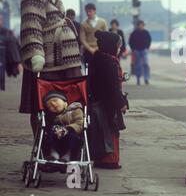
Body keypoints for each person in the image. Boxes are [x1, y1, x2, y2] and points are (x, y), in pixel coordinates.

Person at [19, 0, 82, 134]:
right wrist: (35, 53)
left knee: (68, 104)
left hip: (66, 62)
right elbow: (31, 24)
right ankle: (45, 148)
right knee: (46, 105)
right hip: (48, 62)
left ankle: (66, 144)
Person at [88, 30, 128, 169]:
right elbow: (113, 88)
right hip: (108, 104)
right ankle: (110, 160)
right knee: (110, 130)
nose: (118, 49)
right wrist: (121, 103)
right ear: (110, 46)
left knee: (99, 130)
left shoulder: (98, 58)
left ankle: (100, 159)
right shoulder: (109, 63)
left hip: (98, 101)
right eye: (117, 46)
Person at [43, 90, 83, 162]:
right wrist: (56, 129)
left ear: (65, 102)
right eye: (49, 106)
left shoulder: (75, 110)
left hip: (72, 134)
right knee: (49, 133)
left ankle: (68, 155)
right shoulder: (53, 117)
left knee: (72, 137)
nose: (53, 104)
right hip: (58, 136)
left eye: (55, 100)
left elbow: (79, 123)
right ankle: (53, 153)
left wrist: (67, 129)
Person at [0, 13, 21, 91]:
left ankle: (15, 66)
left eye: (0, 19)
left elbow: (16, 46)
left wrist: (18, 62)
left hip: (6, 58)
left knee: (11, 40)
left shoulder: (7, 33)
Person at [129, 20, 152, 85]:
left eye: (142, 25)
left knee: (146, 64)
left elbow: (149, 40)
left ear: (143, 25)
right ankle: (138, 78)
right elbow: (130, 41)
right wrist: (133, 49)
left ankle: (146, 78)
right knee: (138, 65)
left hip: (144, 50)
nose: (140, 26)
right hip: (137, 51)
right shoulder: (134, 33)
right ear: (138, 25)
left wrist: (147, 47)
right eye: (139, 25)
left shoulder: (146, 32)